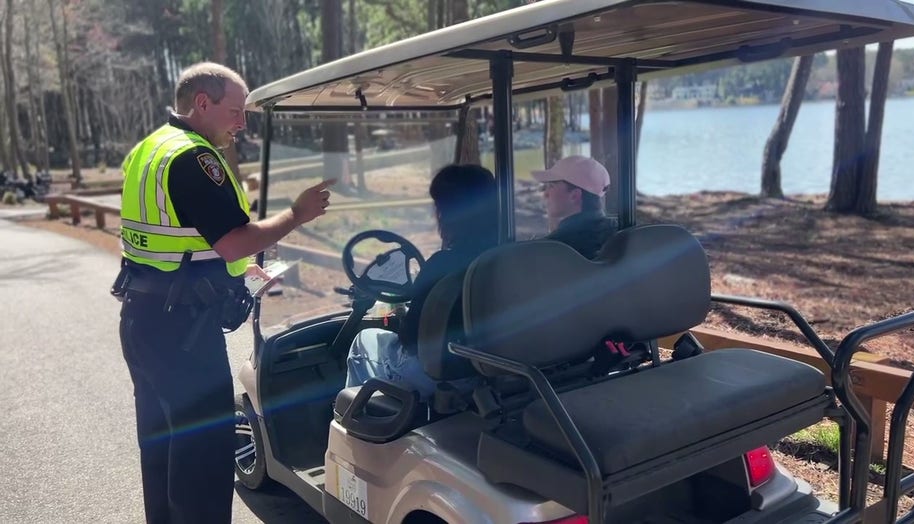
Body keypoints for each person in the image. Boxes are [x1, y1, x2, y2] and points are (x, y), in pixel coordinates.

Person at [114, 62, 334, 524]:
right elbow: (232, 238)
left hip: (143, 317)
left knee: (163, 443)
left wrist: (246, 273)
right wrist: (297, 213)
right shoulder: (195, 158)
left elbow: (178, 240)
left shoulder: (148, 149)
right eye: (235, 111)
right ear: (202, 104)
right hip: (183, 334)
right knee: (205, 456)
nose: (241, 123)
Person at [345, 164, 499, 398]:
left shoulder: (442, 264)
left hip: (442, 377)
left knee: (363, 341)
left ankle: (359, 421)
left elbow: (409, 338)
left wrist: (403, 314)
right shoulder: (505, 255)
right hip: (492, 370)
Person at [531, 155, 616, 259]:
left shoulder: (548, 250)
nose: (545, 194)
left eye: (551, 186)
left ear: (575, 196)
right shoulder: (621, 233)